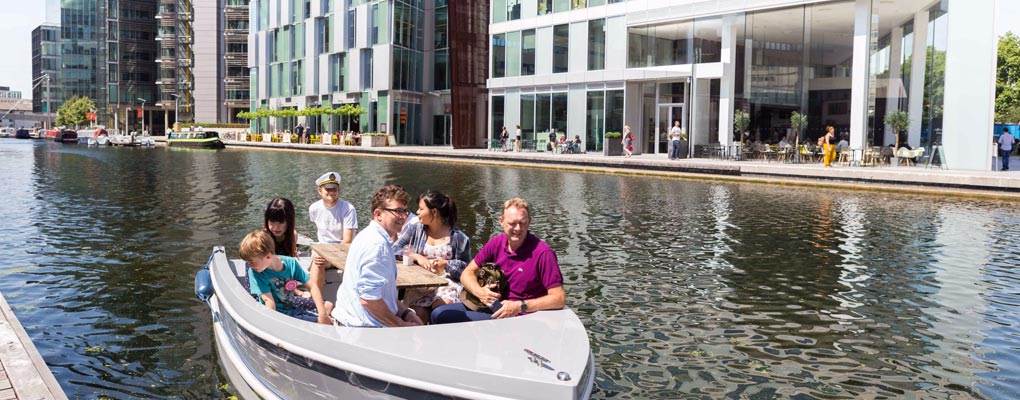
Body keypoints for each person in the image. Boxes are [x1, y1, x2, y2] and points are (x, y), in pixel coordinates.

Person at [431, 198, 565, 324]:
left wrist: (520, 306)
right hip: (492, 306)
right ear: (501, 221)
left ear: (529, 221)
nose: (518, 228)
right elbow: (467, 273)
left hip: (520, 317)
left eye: (522, 223)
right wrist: (480, 292)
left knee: (446, 318)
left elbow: (558, 298)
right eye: (512, 223)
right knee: (438, 313)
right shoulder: (496, 242)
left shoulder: (543, 253)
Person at [332, 185, 423, 327]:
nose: (403, 216)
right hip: (363, 333)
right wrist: (399, 324)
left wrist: (405, 313)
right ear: (378, 214)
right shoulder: (377, 246)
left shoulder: (371, 236)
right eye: (397, 211)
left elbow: (383, 294)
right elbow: (369, 299)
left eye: (405, 211)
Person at [393, 191, 472, 323]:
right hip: (421, 284)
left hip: (447, 283)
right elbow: (394, 249)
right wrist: (416, 256)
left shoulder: (459, 237)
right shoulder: (415, 229)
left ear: (434, 212)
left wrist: (446, 264)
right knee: (418, 315)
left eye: (421, 209)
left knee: (442, 311)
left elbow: (467, 269)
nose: (417, 212)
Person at [240, 230, 331, 322]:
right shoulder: (255, 272)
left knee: (320, 307)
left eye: (252, 262)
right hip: (276, 311)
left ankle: (323, 310)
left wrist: (322, 313)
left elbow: (312, 285)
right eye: (248, 262)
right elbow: (269, 303)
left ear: (268, 256)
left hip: (290, 303)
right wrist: (269, 323)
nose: (250, 266)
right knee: (312, 323)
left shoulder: (291, 264)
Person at [308, 171, 358, 324]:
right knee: (318, 258)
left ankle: (320, 307)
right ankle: (319, 303)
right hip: (320, 249)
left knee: (319, 260)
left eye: (334, 189)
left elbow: (347, 241)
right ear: (320, 191)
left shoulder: (348, 209)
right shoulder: (314, 208)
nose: (331, 192)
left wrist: (330, 255)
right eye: (327, 189)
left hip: (341, 250)